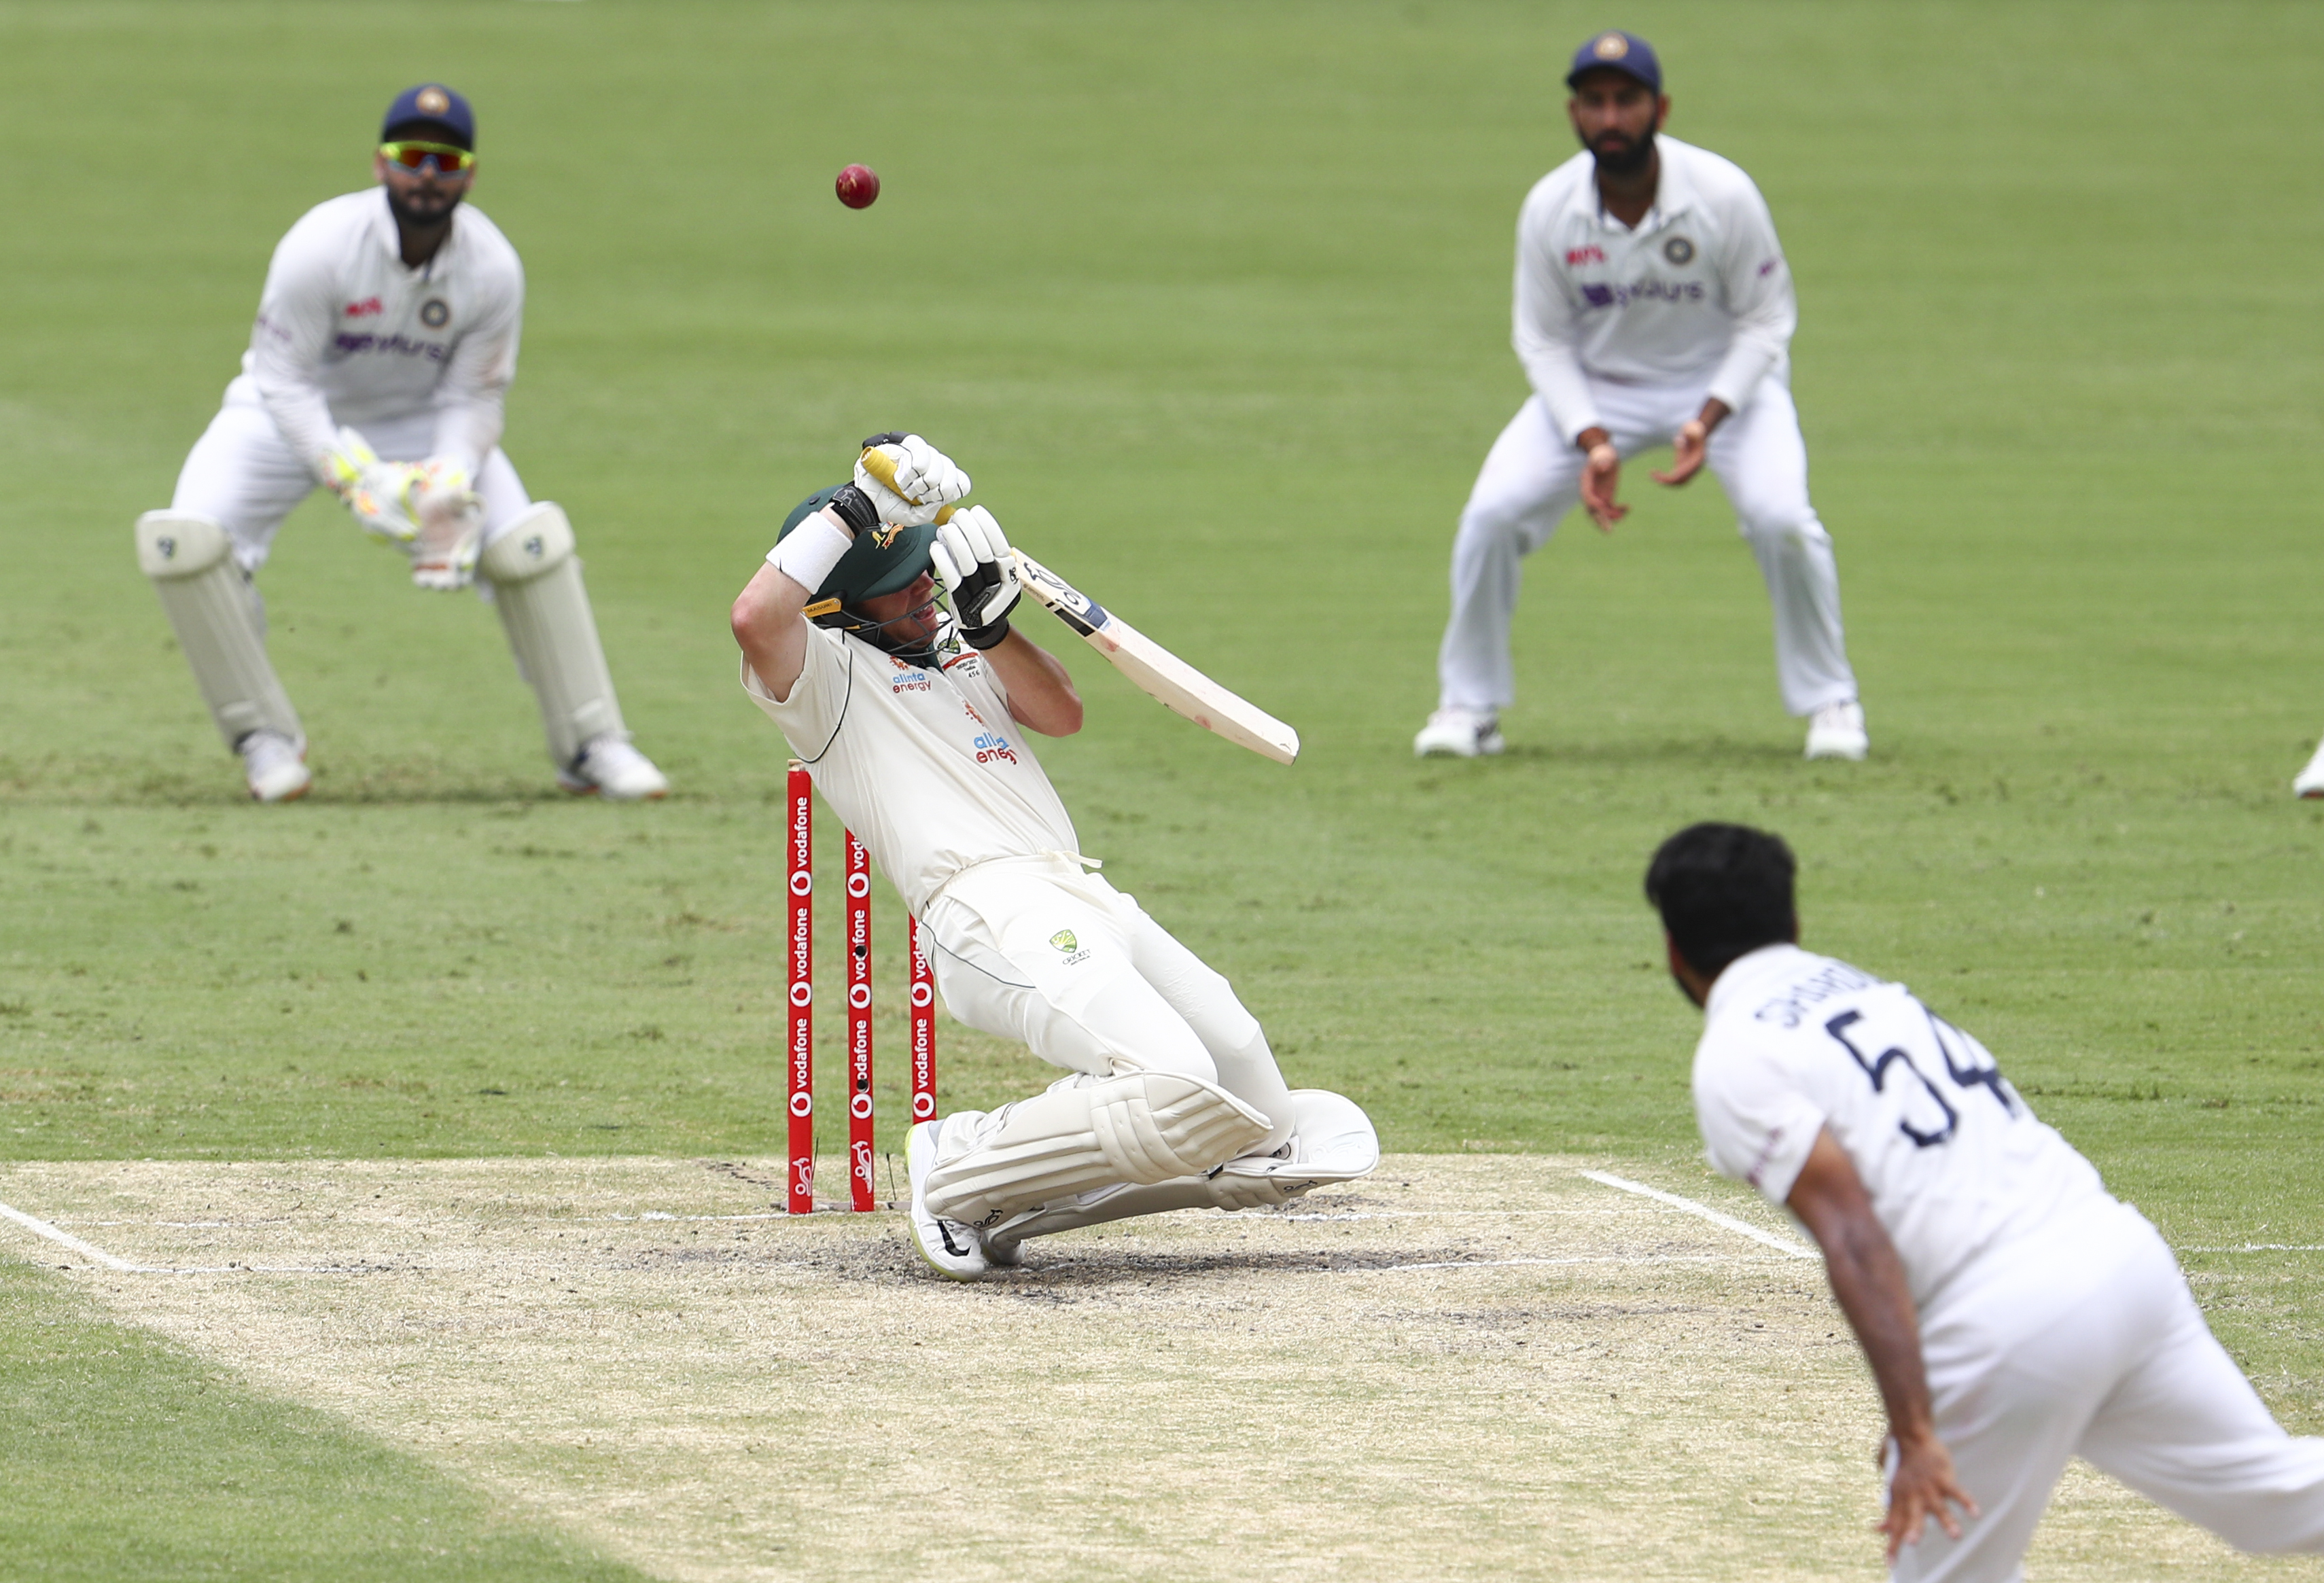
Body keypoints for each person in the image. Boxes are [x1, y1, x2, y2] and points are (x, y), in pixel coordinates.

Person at [729, 433, 1378, 1279]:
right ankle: (959, 1162)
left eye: (924, 571)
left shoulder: (956, 645)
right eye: (901, 587)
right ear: (844, 607)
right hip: (984, 910)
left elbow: (1062, 711)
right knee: (1176, 1076)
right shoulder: (825, 682)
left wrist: (993, 630)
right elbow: (755, 616)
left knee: (1255, 1111)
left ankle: (1019, 1201)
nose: (926, 589)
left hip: (1078, 888)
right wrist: (857, 508)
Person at [1645, 821, 2324, 1580]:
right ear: (1794, 920)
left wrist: (1916, 1423)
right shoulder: (1862, 986)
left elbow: (1855, 1238)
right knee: (2277, 1496)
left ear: (1674, 948)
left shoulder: (1738, 1052)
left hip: (2009, 1321)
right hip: (2120, 1257)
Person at [135, 84, 666, 803]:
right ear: (382, 165)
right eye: (411, 157)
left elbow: (475, 395)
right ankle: (265, 739)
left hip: (421, 416)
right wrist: (353, 476)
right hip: (285, 415)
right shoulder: (319, 245)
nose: (427, 174)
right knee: (184, 546)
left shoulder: (493, 267)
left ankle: (593, 743)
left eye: (445, 162)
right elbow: (283, 379)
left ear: (469, 174)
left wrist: (446, 478)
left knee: (527, 547)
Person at [1416, 31, 1865, 762]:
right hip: (1600, 389)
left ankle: (1831, 701)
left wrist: (1706, 418)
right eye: (1594, 103)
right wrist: (1592, 438)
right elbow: (1543, 341)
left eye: (1627, 101)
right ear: (1573, 114)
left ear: (1660, 107)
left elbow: (1766, 320)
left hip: (1727, 391)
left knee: (1783, 518)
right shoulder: (1550, 207)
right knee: (1492, 514)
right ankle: (1469, 704)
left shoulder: (1722, 193)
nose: (1611, 119)